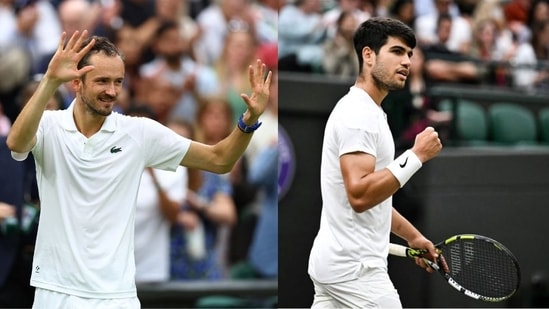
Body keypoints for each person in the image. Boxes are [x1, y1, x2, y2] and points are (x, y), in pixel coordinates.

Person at [5, 30, 271, 308]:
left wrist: (248, 121)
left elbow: (220, 160)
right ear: (77, 83)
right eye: (102, 81)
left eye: (118, 81)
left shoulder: (139, 132)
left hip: (116, 296)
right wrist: (49, 80)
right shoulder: (48, 124)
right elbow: (16, 142)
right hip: (55, 290)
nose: (112, 91)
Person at [307, 17, 443, 308]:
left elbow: (373, 200)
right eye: (396, 51)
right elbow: (360, 195)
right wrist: (416, 156)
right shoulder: (359, 115)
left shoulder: (369, 111)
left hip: (337, 266)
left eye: (409, 53)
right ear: (368, 55)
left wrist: (414, 237)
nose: (407, 61)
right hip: (355, 271)